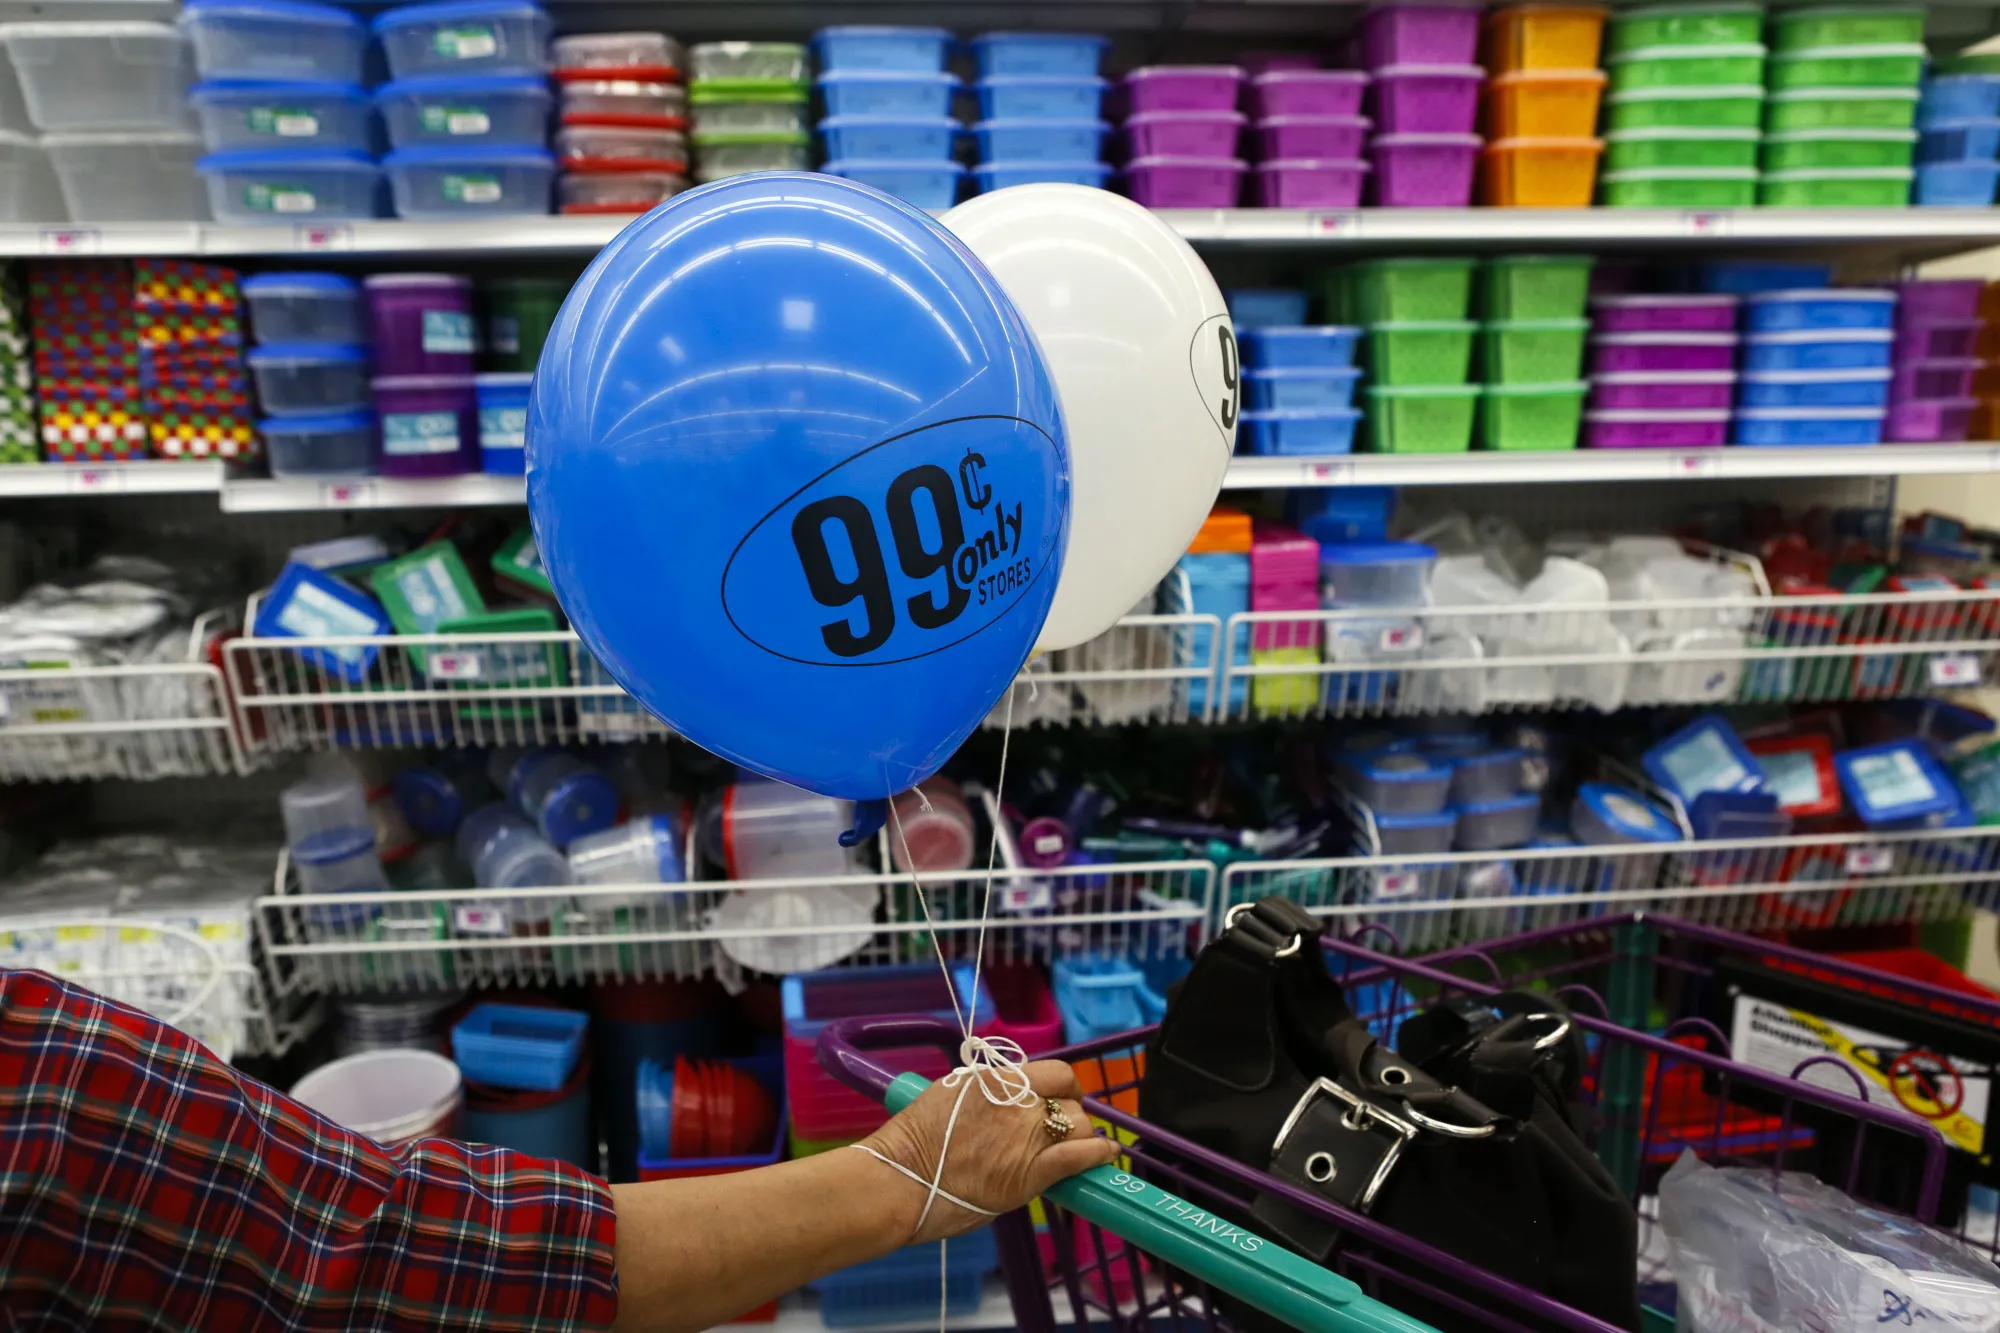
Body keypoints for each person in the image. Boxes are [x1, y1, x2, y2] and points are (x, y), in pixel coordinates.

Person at [0, 968, 1118, 1332]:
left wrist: (903, 1174)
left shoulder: (49, 1063)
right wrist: (905, 1176)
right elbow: (405, 1251)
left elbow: (386, 1245)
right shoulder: (50, 1077)